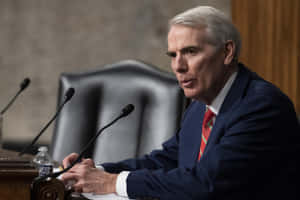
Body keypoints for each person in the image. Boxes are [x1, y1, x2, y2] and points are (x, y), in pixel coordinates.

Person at [61, 6, 300, 200]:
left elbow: (206, 183)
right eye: (173, 55)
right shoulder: (200, 106)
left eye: (191, 52)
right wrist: (97, 172)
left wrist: (112, 183)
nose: (178, 66)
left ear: (227, 52)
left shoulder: (261, 106)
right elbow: (168, 160)